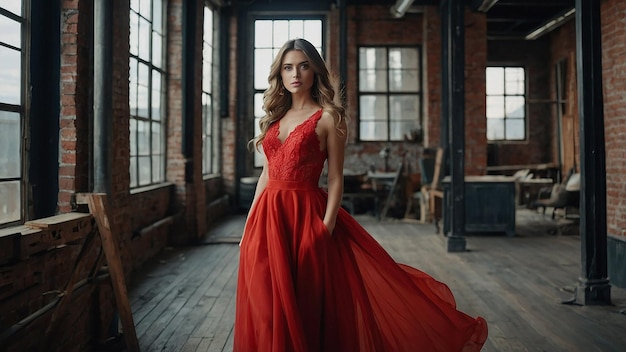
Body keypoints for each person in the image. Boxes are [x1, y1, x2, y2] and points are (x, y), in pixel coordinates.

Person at [234, 38, 488, 352]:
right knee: (265, 305)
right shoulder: (275, 119)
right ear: (280, 75)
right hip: (267, 219)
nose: (295, 73)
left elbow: (337, 179)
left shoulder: (329, 118)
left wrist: (324, 229)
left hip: (306, 217)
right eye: (287, 67)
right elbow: (266, 174)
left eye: (303, 66)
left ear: (315, 71)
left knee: (304, 303)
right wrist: (248, 227)